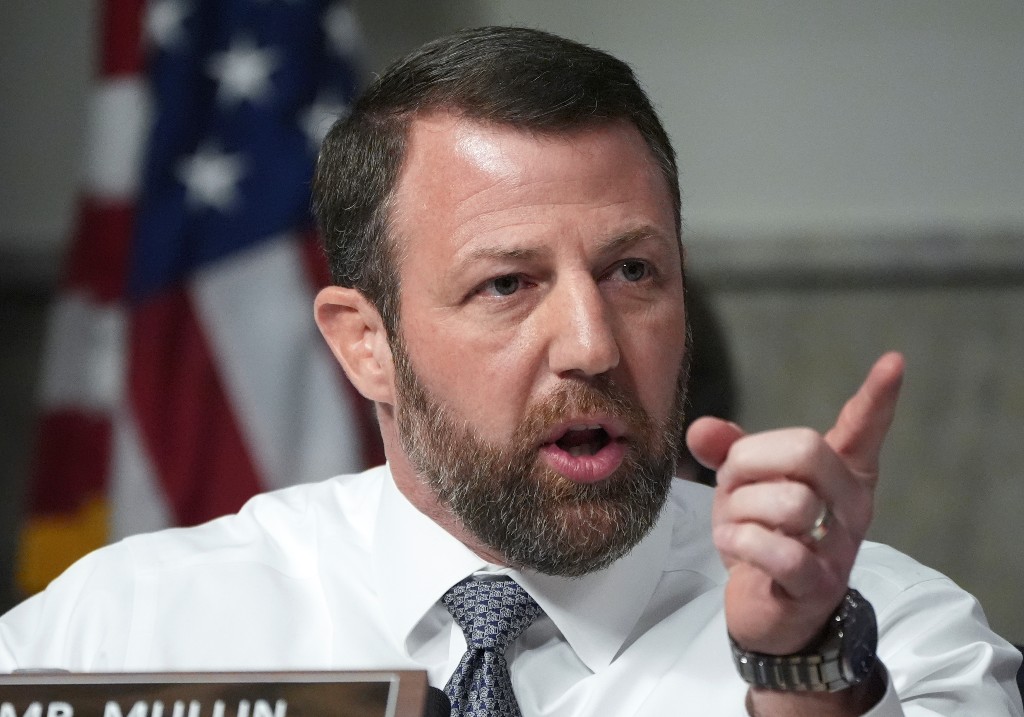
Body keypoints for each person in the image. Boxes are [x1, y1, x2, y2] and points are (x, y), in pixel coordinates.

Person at [1, 26, 1020, 717]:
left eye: (632, 272)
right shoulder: (124, 635)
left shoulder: (892, 638)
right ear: (366, 344)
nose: (592, 344)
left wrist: (799, 677)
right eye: (506, 284)